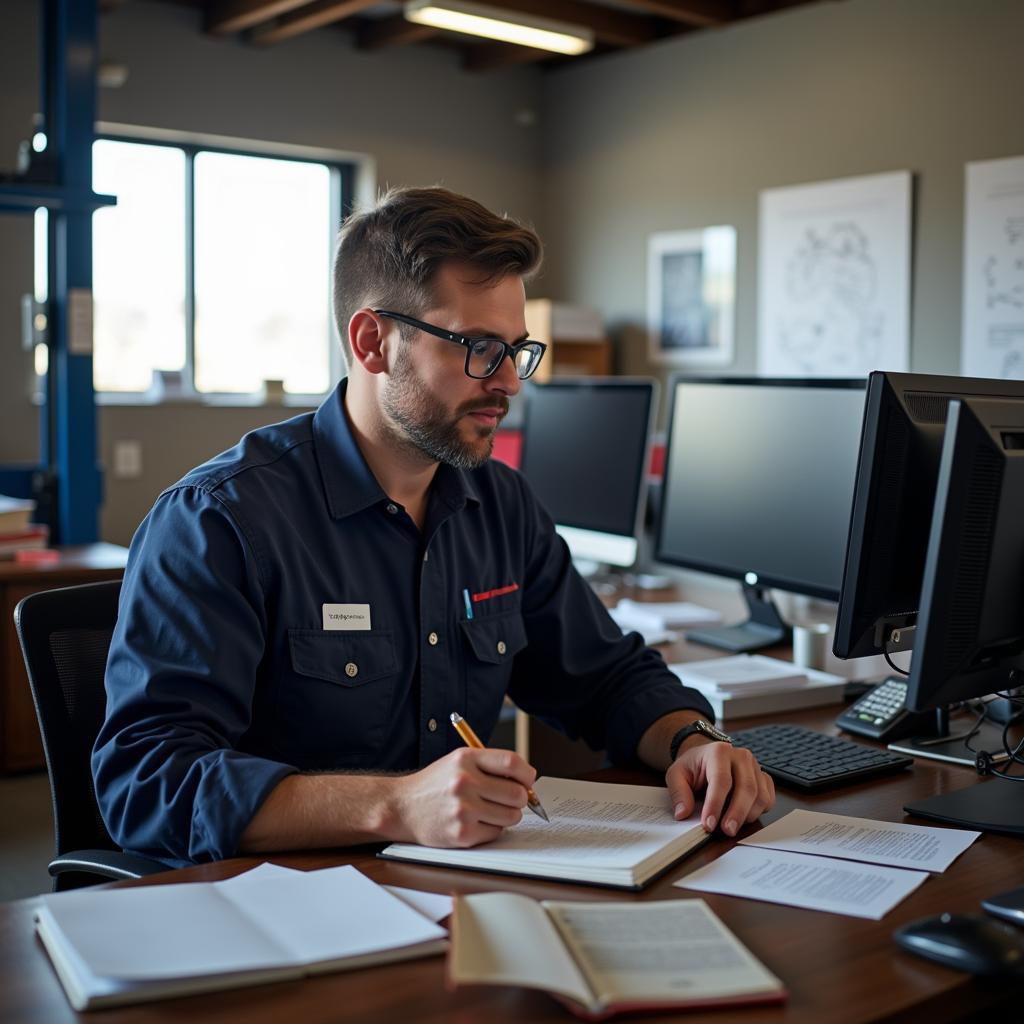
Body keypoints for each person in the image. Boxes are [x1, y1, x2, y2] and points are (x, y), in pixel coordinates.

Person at [93, 186, 774, 866]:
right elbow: (148, 782)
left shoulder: (500, 506)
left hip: (451, 890)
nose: (509, 382)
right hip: (276, 912)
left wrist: (694, 742)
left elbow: (606, 678)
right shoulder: (221, 521)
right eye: (479, 348)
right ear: (372, 342)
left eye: (517, 351)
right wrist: (396, 805)